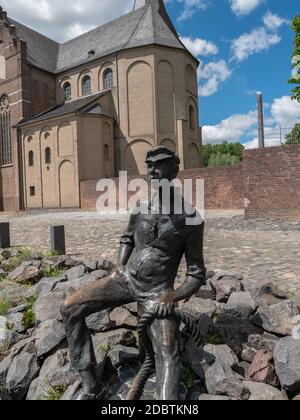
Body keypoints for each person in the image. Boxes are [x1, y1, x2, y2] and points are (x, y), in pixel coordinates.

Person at [60, 146, 206, 400]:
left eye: (159, 164)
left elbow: (196, 274)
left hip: (157, 293)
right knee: (69, 308)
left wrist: (171, 297)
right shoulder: (139, 209)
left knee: (167, 352)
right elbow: (126, 239)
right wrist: (120, 266)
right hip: (125, 280)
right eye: (149, 165)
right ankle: (90, 385)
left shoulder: (191, 219)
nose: (152, 170)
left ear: (174, 169)